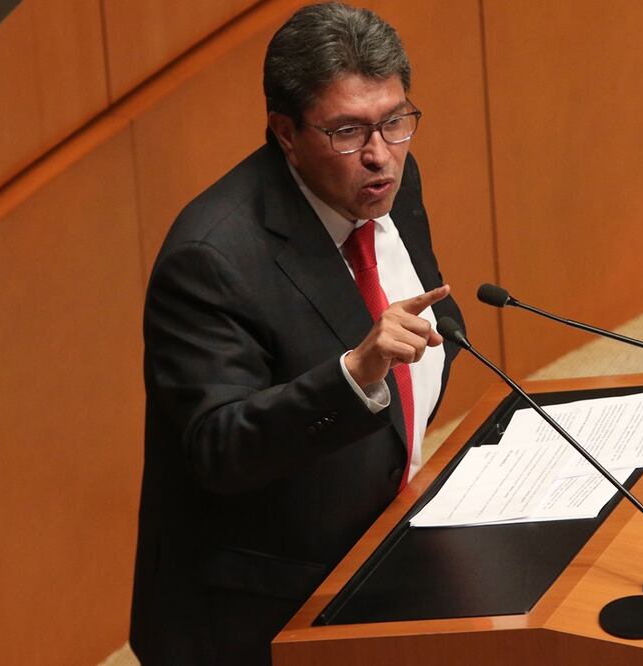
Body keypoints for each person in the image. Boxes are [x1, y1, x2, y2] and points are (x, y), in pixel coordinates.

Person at [128, 3, 464, 664]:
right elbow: (219, 448)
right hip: (259, 614)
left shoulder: (391, 179)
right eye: (346, 130)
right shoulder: (212, 257)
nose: (379, 156)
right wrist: (353, 375)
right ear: (285, 132)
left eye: (394, 121)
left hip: (374, 556)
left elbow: (423, 318)